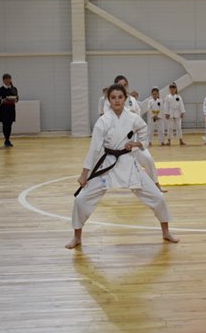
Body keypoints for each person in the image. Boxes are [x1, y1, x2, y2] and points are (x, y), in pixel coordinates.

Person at [65, 84, 179, 249]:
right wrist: (84, 174)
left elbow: (144, 134)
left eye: (120, 97)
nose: (117, 100)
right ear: (108, 100)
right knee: (81, 199)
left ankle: (166, 232)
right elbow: (94, 149)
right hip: (108, 165)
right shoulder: (103, 121)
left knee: (158, 197)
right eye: (113, 98)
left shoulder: (133, 118)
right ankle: (77, 237)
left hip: (129, 164)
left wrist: (136, 143)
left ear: (125, 99)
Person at [0, 73, 18, 147]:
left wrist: (15, 100)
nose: (7, 80)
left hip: (11, 109)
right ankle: (6, 139)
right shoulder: (0, 89)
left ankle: (8, 139)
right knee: (5, 124)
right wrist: (3, 100)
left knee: (10, 124)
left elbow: (17, 98)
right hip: (4, 109)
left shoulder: (14, 89)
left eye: (9, 79)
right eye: (6, 79)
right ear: (3, 80)